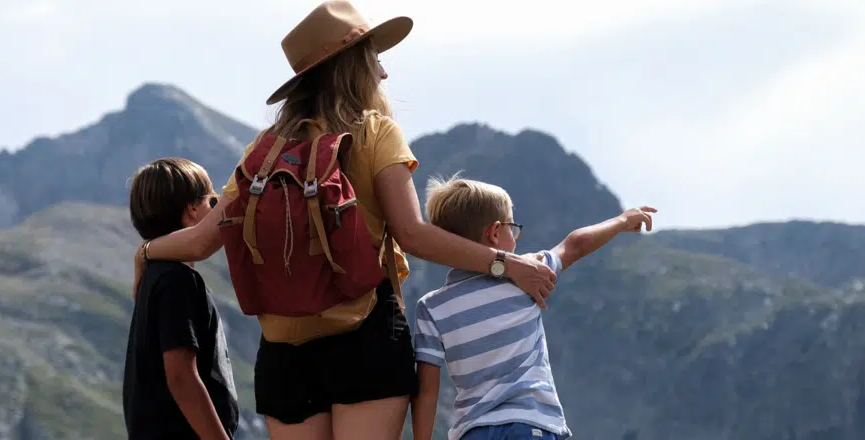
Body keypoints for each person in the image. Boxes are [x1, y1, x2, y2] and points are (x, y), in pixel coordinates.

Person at [132, 1, 558, 439]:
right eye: (374, 59)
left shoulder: (265, 150)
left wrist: (146, 251)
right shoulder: (375, 132)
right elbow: (412, 234)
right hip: (366, 336)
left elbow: (201, 242)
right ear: (352, 67)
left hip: (284, 354)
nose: (383, 73)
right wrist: (504, 263)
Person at [409, 175, 657, 440]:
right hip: (529, 425)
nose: (516, 239)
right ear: (495, 233)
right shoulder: (527, 275)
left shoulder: (432, 307)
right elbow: (574, 245)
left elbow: (426, 391)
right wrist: (621, 221)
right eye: (512, 229)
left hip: (473, 432)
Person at [123, 158, 239, 440]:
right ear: (191, 210)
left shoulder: (153, 277)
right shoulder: (178, 282)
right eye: (212, 202)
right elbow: (180, 376)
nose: (217, 210)